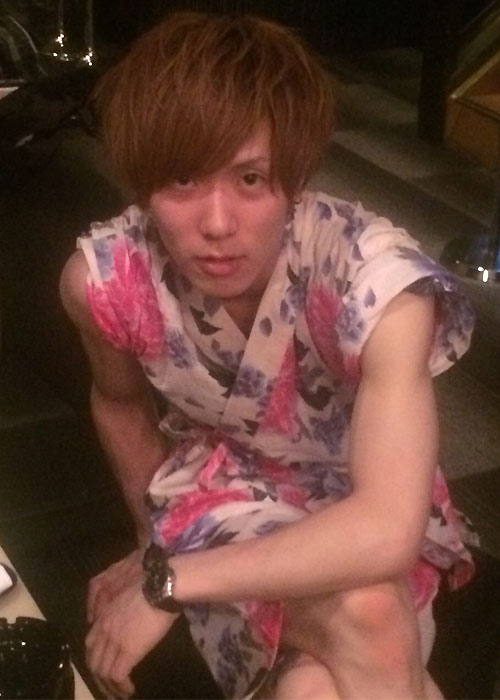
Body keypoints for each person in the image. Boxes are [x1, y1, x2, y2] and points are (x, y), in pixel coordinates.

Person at [60, 11, 477, 700]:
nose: (218, 223)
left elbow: (385, 528)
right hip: (217, 495)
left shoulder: (374, 284)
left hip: (360, 499)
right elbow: (120, 401)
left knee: (317, 683)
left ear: (294, 174)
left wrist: (165, 583)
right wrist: (152, 543)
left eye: (251, 179)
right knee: (373, 618)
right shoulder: (109, 280)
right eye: (183, 179)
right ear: (141, 182)